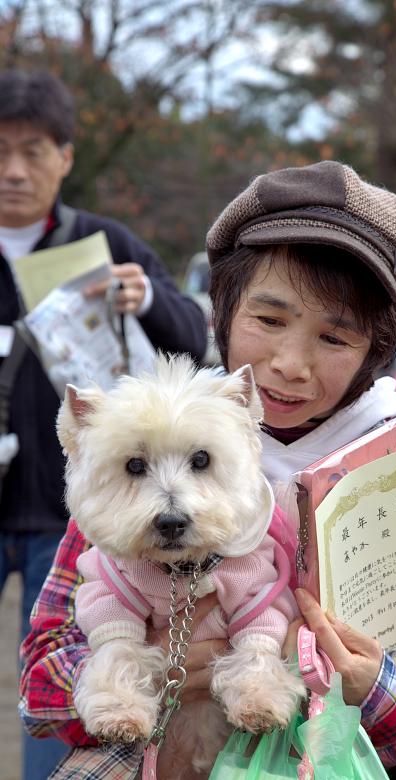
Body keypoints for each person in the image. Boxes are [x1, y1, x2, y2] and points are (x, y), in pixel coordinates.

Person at [20, 161, 396, 780]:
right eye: (269, 319)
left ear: (376, 350)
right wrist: (147, 666)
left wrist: (377, 689)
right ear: (223, 310)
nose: (290, 364)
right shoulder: (145, 432)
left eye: (335, 339)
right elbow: (40, 679)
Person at [0, 68, 207, 780]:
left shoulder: (104, 243)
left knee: (66, 675)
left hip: (78, 518)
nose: (13, 170)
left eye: (32, 150)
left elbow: (194, 342)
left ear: (66, 156)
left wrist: (146, 294)